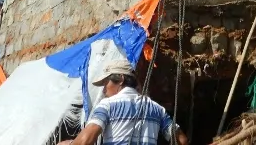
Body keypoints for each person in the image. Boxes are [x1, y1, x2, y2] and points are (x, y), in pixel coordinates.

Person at [60, 60, 189, 145]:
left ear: (121, 79)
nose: (104, 90)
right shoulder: (157, 108)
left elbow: (84, 142)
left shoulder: (107, 105)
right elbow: (182, 140)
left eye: (106, 83)